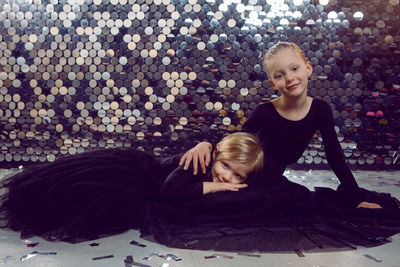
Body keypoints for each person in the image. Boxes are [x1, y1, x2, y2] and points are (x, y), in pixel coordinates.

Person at [180, 42, 381, 209]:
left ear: (308, 68)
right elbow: (235, 144)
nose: (290, 78)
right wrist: (206, 145)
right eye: (279, 75)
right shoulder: (264, 112)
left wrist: (357, 199)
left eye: (295, 68)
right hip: (248, 178)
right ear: (273, 83)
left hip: (272, 182)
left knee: (303, 200)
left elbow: (335, 156)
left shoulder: (321, 109)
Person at [0, 132, 263, 243]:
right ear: (215, 156)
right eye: (226, 167)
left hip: (146, 181)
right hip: (138, 177)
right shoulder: (196, 163)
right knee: (85, 193)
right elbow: (169, 192)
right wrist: (209, 186)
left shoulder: (217, 168)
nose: (228, 178)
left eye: (238, 176)